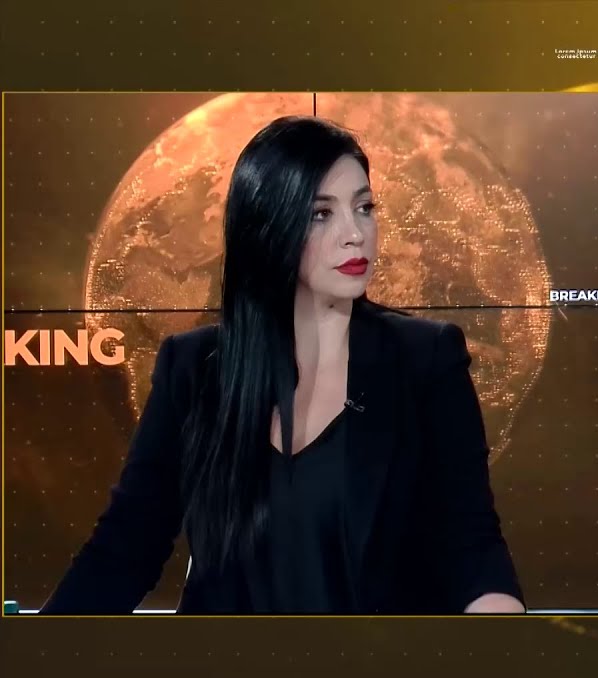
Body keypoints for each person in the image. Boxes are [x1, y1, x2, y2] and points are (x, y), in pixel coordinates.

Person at [43, 117, 525, 614]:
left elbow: (471, 544)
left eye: (364, 208)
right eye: (321, 214)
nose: (354, 234)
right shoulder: (192, 370)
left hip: (374, 661)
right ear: (266, 227)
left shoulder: (426, 359)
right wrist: (37, 652)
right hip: (224, 662)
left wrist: (502, 637)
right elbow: (124, 548)